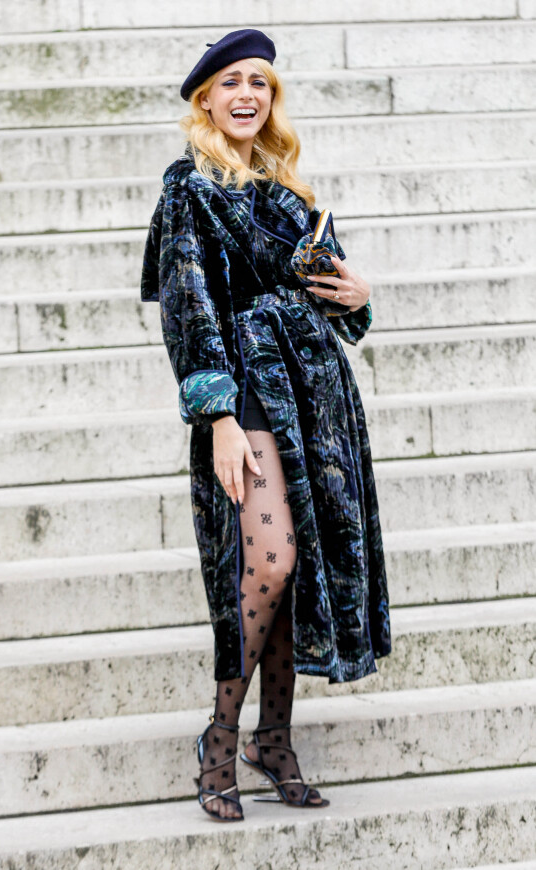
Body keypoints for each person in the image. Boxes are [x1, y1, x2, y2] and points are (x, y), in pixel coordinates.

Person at [141, 28, 392, 822]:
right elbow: (189, 308)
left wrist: (358, 297)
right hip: (245, 389)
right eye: (231, 82)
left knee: (295, 567)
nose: (247, 93)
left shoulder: (292, 197)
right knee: (269, 559)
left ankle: (273, 741)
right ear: (204, 99)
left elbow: (340, 305)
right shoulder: (190, 189)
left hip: (316, 397)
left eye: (261, 82)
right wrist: (215, 413)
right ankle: (221, 740)